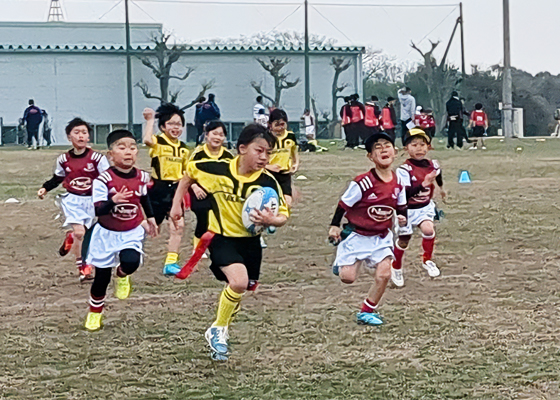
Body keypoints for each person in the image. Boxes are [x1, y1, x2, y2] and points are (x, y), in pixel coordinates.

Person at [169, 123, 290, 361]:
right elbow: (188, 175)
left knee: (243, 287)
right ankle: (218, 330)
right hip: (221, 237)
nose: (264, 157)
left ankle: (220, 330)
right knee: (238, 282)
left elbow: (284, 216)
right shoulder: (215, 169)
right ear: (242, 148)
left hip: (251, 243)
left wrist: (271, 219)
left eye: (268, 153)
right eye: (259, 150)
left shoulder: (268, 182)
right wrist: (176, 205)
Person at [328, 132, 407, 326]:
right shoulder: (363, 182)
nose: (383, 149)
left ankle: (367, 311)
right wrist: (334, 226)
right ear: (370, 157)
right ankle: (341, 263)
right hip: (356, 234)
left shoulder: (399, 183)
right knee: (348, 278)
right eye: (377, 147)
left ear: (395, 152)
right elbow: (343, 205)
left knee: (385, 274)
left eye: (386, 145)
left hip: (380, 237)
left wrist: (402, 217)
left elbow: (400, 206)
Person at [84, 129, 158, 331]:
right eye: (122, 147)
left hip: (131, 230)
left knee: (131, 261)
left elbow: (143, 198)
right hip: (107, 232)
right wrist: (112, 201)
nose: (128, 152)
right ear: (111, 155)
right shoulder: (103, 180)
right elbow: (99, 209)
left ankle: (123, 274)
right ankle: (94, 313)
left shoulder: (142, 176)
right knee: (101, 278)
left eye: (133, 148)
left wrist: (150, 218)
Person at [37, 118, 110, 282]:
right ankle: (83, 267)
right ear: (69, 137)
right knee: (80, 232)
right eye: (76, 133)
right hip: (73, 200)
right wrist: (45, 188)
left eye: (84, 133)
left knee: (89, 236)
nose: (81, 136)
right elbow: (58, 178)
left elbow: (108, 179)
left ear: (89, 137)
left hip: (93, 201)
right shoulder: (63, 159)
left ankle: (70, 239)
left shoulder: (97, 158)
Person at [391, 128, 445, 287]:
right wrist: (425, 183)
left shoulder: (433, 164)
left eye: (423, 144)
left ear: (429, 147)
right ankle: (396, 267)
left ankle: (427, 260)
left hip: (424, 207)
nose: (419, 148)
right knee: (404, 240)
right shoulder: (404, 170)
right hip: (406, 209)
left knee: (429, 230)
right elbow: (405, 194)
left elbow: (438, 173)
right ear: (406, 149)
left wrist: (441, 188)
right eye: (414, 145)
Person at [142, 104, 189, 276]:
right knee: (152, 227)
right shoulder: (158, 141)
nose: (175, 127)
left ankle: (171, 262)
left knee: (178, 225)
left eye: (178, 124)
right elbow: (147, 140)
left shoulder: (184, 148)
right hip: (158, 189)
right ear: (163, 126)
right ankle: (126, 249)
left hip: (176, 190)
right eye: (171, 124)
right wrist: (150, 121)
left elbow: (186, 172)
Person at [187, 120, 234, 262]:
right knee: (203, 220)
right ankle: (197, 249)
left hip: (220, 195)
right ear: (207, 135)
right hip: (200, 193)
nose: (217, 137)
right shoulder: (198, 154)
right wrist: (195, 186)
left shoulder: (228, 156)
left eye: (221, 135)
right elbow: (188, 174)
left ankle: (218, 246)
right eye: (214, 133)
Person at [266, 109, 299, 208]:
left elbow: (294, 151)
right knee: (271, 201)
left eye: (283, 124)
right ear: (270, 124)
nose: (280, 128)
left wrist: (295, 163)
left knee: (287, 202)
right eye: (277, 125)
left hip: (285, 173)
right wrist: (268, 167)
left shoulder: (290, 136)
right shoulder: (266, 138)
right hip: (269, 174)